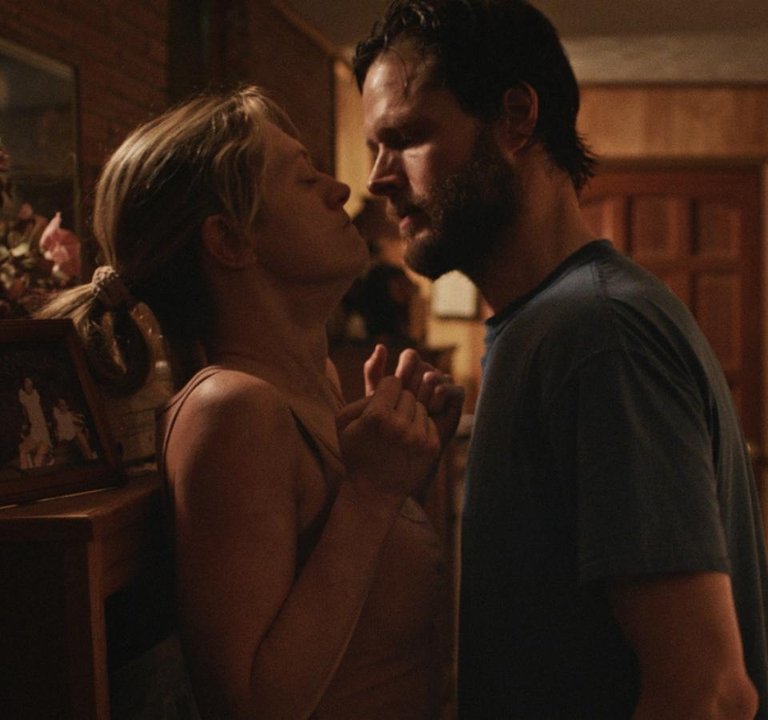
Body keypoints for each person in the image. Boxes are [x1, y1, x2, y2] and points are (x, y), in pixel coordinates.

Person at [354, 1, 768, 718]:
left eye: (407, 137)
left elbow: (708, 695)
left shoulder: (598, 335)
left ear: (516, 117)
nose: (378, 177)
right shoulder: (538, 328)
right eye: (376, 146)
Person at [39, 86, 463, 718]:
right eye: (304, 178)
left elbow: (373, 627)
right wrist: (373, 492)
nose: (340, 190)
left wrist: (411, 463)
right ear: (231, 240)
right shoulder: (232, 410)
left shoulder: (317, 384)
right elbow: (248, 705)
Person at [17, 376, 51, 468]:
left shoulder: (38, 395)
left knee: (37, 461)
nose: (28, 385)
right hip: (34, 434)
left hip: (44, 435)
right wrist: (24, 425)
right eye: (26, 383)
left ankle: (46, 458)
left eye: (30, 383)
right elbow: (24, 414)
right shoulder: (23, 397)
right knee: (22, 450)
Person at [51, 396, 97, 461]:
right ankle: (90, 457)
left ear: (67, 406)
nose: (61, 407)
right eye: (59, 405)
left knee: (80, 436)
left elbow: (81, 422)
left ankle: (89, 457)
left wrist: (79, 421)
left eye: (63, 405)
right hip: (64, 438)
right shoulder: (57, 415)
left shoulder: (70, 415)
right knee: (79, 436)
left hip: (72, 437)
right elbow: (54, 410)